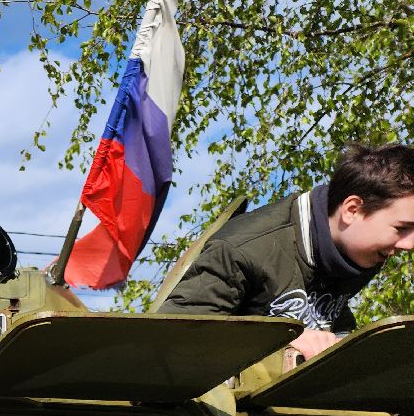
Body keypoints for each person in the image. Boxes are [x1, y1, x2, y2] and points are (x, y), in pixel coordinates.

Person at [160, 143, 414, 360]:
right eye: (402, 228)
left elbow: (325, 312)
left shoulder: (361, 252)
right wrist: (280, 340)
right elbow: (170, 342)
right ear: (352, 209)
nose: (409, 244)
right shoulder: (242, 250)